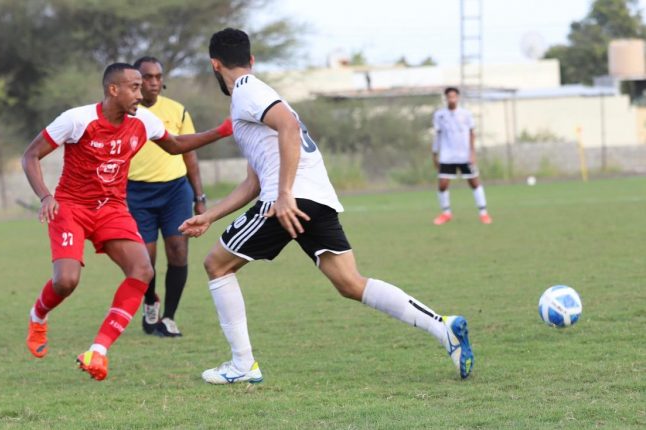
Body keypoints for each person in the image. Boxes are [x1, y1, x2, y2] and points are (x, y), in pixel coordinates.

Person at [179, 28, 474, 385]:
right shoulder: (258, 95)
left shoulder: (246, 91)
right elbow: (252, 182)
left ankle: (242, 364)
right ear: (252, 59)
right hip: (314, 196)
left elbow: (288, 128)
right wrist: (209, 216)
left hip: (289, 198)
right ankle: (443, 328)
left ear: (214, 64)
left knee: (217, 265)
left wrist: (284, 193)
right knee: (350, 283)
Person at [21, 63, 232, 381]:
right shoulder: (77, 119)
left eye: (142, 86)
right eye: (134, 87)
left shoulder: (143, 121)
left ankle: (98, 351)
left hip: (112, 209)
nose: (143, 92)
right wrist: (45, 196)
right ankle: (38, 316)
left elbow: (175, 146)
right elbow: (30, 155)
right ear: (113, 89)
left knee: (143, 270)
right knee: (66, 281)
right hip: (71, 207)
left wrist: (222, 130)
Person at [127, 56, 206, 337]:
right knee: (145, 260)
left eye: (158, 77)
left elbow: (190, 155)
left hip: (175, 191)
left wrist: (199, 197)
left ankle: (169, 318)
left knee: (178, 250)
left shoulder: (177, 111)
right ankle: (151, 302)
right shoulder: (125, 112)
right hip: (136, 193)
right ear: (135, 81)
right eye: (147, 77)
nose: (154, 82)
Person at [431, 87, 492, 225]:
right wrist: (434, 154)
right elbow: (437, 135)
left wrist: (472, 153)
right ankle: (446, 213)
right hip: (447, 155)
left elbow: (471, 133)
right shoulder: (439, 115)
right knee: (442, 184)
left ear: (458, 98)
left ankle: (483, 213)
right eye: (449, 97)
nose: (452, 99)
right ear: (446, 98)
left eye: (454, 96)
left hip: (464, 155)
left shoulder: (466, 114)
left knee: (474, 182)